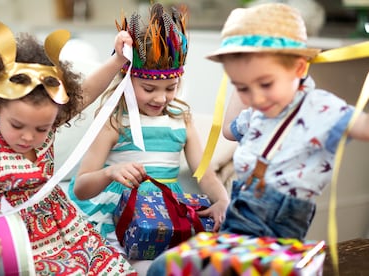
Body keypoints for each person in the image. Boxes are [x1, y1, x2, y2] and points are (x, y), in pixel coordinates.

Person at [146, 3, 369, 274]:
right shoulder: (260, 111)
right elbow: (229, 129)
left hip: (275, 229)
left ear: (299, 68)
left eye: (265, 84)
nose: (256, 97)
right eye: (243, 87)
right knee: (165, 267)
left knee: (170, 267)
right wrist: (241, 81)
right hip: (239, 220)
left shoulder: (319, 107)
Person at [0, 18, 137, 275]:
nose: (29, 137)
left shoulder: (47, 126)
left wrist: (118, 60)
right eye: (17, 125)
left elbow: (84, 95)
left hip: (69, 231)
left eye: (41, 128)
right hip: (24, 245)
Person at [68, 2, 229, 272]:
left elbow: (205, 173)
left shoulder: (181, 118)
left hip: (166, 213)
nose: (160, 97)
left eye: (170, 87)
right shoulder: (114, 120)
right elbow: (81, 187)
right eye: (148, 88)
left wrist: (222, 200)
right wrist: (111, 173)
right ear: (126, 78)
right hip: (118, 212)